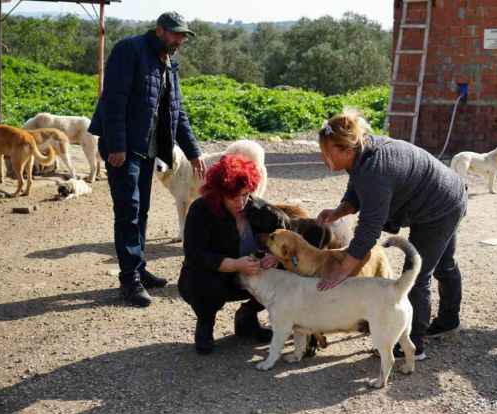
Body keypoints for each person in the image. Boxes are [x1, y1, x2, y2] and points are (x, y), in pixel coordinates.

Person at [316, 110, 467, 360]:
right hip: (446, 193)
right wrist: (339, 211)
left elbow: (368, 230)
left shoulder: (375, 169)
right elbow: (356, 189)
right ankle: (449, 320)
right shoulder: (363, 154)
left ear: (346, 149)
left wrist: (344, 269)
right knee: (444, 263)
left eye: (327, 153)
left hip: (440, 207)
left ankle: (413, 345)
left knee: (416, 274)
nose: (324, 158)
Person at [89, 12, 206, 307]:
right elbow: (113, 100)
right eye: (176, 34)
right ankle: (129, 281)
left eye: (183, 35)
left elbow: (177, 113)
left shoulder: (168, 63)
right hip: (123, 148)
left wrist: (193, 152)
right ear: (159, 30)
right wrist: (116, 145)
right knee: (128, 210)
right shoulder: (129, 50)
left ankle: (138, 268)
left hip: (147, 149)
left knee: (140, 211)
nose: (180, 40)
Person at [177, 155, 279, 355]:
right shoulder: (200, 210)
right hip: (218, 278)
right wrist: (235, 264)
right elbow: (194, 255)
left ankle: (247, 316)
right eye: (234, 197)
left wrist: (274, 256)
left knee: (288, 269)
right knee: (200, 278)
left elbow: (286, 236)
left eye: (246, 195)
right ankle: (205, 324)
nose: (241, 202)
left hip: (254, 275)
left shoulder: (262, 210)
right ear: (219, 193)